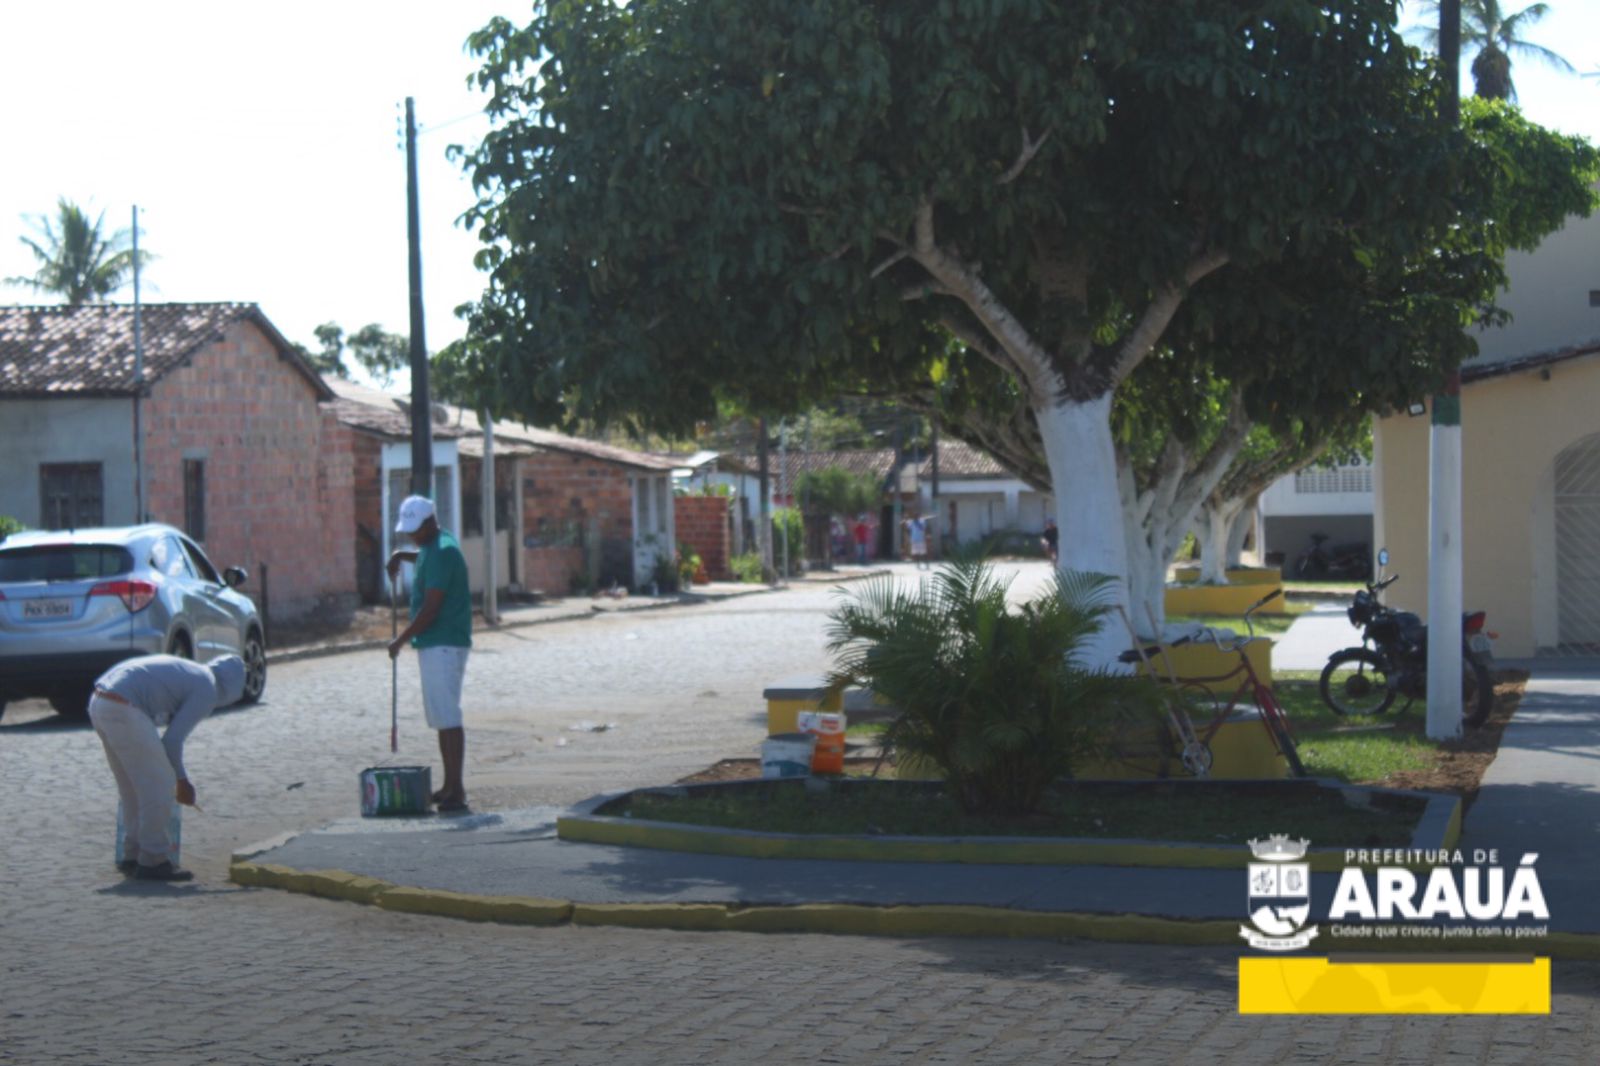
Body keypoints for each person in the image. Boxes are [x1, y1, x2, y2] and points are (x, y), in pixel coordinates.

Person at [89, 653, 247, 881]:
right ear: (232, 688)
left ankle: (132, 855)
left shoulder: (194, 672)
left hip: (99, 701)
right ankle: (153, 860)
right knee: (160, 786)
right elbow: (172, 741)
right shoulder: (208, 689)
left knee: (132, 787)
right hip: (123, 706)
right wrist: (181, 781)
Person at [387, 495, 473, 812]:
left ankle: (457, 790)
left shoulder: (443, 551)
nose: (412, 535)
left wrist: (400, 640)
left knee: (448, 716)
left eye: (416, 529)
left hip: (444, 642)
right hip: (436, 642)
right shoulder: (433, 545)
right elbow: (424, 556)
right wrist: (401, 555)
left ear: (430, 521)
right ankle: (449, 785)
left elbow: (430, 609)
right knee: (440, 716)